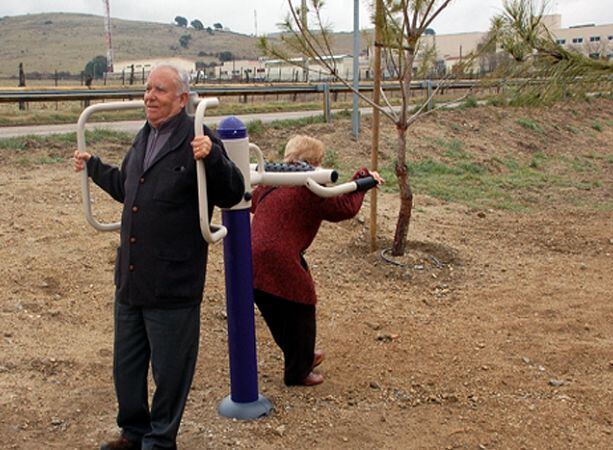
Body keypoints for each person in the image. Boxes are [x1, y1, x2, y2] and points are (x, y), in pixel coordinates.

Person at [73, 63, 244, 450]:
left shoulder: (198, 136)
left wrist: (213, 157)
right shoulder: (145, 135)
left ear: (182, 99)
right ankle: (133, 433)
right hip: (133, 277)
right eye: (147, 89)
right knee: (127, 367)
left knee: (170, 372)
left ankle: (160, 441)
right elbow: (127, 189)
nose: (149, 96)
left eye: (160, 90)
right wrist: (94, 168)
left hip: (173, 281)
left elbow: (233, 192)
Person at [250, 135, 384, 387]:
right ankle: (298, 371)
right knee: (303, 304)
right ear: (314, 162)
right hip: (280, 256)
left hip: (253, 257)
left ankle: (300, 355)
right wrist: (363, 179)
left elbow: (253, 203)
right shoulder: (309, 185)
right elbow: (343, 207)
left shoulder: (271, 181)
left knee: (278, 311)